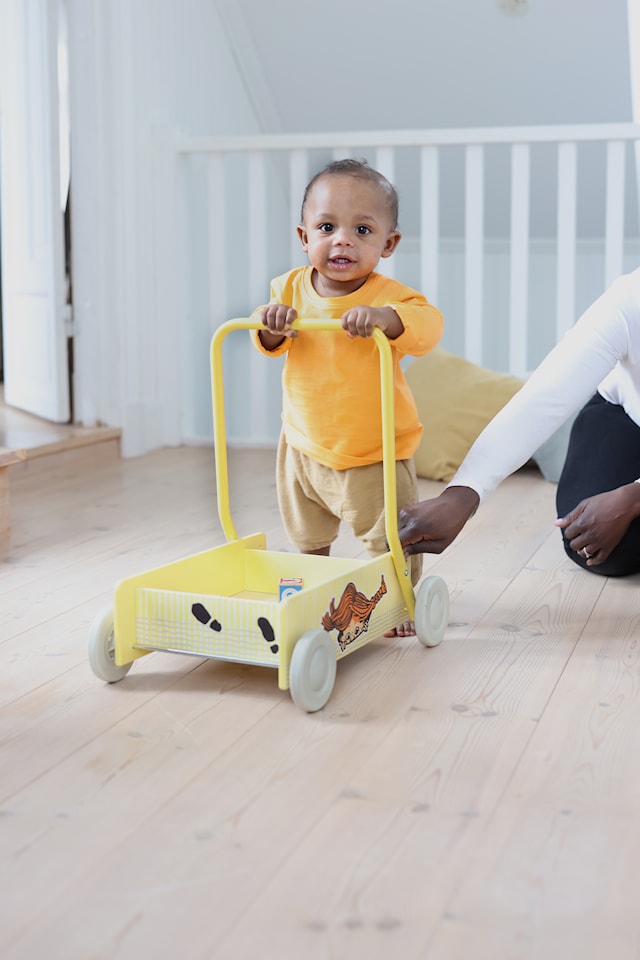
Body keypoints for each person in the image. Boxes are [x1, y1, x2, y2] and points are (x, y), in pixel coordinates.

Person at [250, 158, 444, 634]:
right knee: (307, 532)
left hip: (371, 452)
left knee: (388, 537)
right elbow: (268, 341)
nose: (342, 239)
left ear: (387, 244)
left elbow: (427, 327)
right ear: (304, 237)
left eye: (362, 229)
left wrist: (384, 319)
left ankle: (399, 594)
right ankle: (314, 582)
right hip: (303, 444)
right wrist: (271, 322)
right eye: (327, 227)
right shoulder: (289, 288)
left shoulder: (391, 296)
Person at [397, 267, 640, 577]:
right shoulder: (630, 299)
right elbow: (545, 395)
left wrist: (633, 496)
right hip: (626, 415)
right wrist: (462, 494)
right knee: (593, 543)